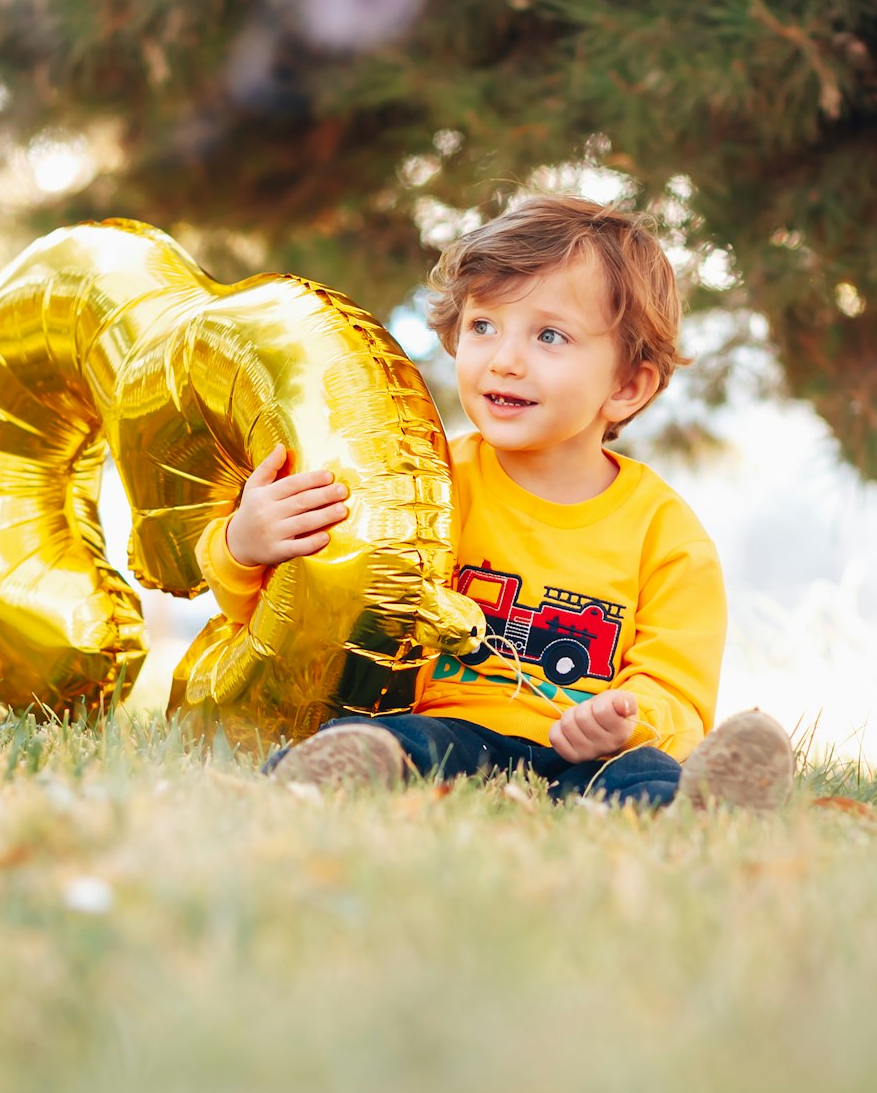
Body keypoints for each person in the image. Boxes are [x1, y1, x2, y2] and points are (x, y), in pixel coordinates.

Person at [196, 194, 794, 810]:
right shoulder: (423, 484)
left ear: (626, 385)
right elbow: (314, 607)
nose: (504, 360)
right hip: (445, 730)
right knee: (384, 738)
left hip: (587, 756)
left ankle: (704, 808)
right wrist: (245, 547)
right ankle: (333, 772)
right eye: (483, 326)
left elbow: (680, 693)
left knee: (645, 774)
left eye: (550, 336)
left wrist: (627, 719)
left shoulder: (666, 534)